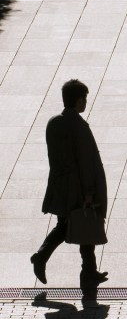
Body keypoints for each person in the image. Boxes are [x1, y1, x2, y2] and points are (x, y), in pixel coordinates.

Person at [31, 79, 108, 300]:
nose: (86, 102)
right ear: (78, 99)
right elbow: (85, 162)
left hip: (61, 186)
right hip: (78, 189)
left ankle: (89, 271)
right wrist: (89, 192)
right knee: (76, 223)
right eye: (84, 98)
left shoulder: (54, 123)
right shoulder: (79, 126)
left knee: (73, 224)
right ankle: (43, 257)